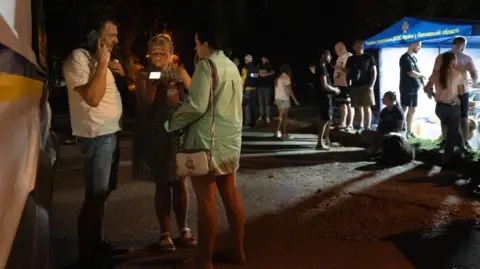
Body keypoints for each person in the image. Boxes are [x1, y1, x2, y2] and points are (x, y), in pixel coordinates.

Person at [165, 24, 245, 269]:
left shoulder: (205, 65)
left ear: (206, 45)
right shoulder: (230, 66)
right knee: (231, 196)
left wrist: (173, 116)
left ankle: (203, 259)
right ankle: (237, 251)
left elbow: (197, 106)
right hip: (229, 141)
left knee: (206, 201)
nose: (195, 48)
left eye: (197, 43)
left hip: (206, 143)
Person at [62, 17, 125, 265]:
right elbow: (93, 98)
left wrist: (114, 70)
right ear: (93, 36)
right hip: (96, 136)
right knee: (94, 197)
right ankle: (87, 256)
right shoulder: (77, 59)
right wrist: (102, 64)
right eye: (111, 35)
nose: (116, 40)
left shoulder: (101, 61)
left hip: (110, 133)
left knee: (102, 194)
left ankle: (97, 246)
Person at [133, 34, 196, 252]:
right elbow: (144, 104)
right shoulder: (142, 74)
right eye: (154, 53)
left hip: (177, 132)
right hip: (155, 132)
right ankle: (165, 232)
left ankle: (184, 228)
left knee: (181, 182)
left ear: (170, 54)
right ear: (149, 54)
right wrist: (154, 83)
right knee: (162, 183)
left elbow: (195, 93)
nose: (158, 57)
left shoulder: (177, 72)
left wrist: (180, 97)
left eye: (163, 53)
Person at [426, 36, 478, 150]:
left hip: (445, 91)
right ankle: (464, 142)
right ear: (463, 45)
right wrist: (474, 83)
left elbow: (434, 74)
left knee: (445, 118)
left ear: (453, 44)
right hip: (462, 91)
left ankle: (445, 140)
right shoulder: (466, 58)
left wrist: (433, 92)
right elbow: (474, 73)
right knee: (463, 117)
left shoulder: (440, 57)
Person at [428, 52, 466, 170]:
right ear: (452, 61)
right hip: (452, 108)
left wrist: (435, 95)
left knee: (452, 128)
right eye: (455, 60)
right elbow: (461, 93)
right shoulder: (458, 74)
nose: (456, 62)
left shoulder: (436, 74)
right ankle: (446, 161)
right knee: (451, 134)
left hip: (439, 109)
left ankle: (463, 146)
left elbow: (426, 88)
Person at [346, 40, 377, 132]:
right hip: (355, 86)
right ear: (354, 47)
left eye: (361, 46)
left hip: (366, 85)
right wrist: (348, 83)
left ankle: (367, 127)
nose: (360, 48)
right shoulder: (351, 59)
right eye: (357, 46)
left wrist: (371, 85)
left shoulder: (368, 57)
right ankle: (361, 126)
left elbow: (374, 72)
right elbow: (348, 72)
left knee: (367, 106)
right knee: (358, 107)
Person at [399, 41, 427, 138]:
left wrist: (424, 85)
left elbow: (417, 72)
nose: (420, 47)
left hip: (414, 87)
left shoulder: (413, 58)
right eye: (419, 45)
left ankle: (409, 131)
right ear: (412, 44)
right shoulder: (404, 58)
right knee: (404, 109)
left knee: (413, 110)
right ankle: (402, 131)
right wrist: (422, 75)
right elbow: (410, 73)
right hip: (407, 88)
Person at [316, 50, 341, 150]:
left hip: (326, 97)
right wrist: (335, 89)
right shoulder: (321, 68)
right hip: (324, 97)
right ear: (323, 56)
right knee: (324, 119)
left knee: (327, 119)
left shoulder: (322, 67)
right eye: (329, 56)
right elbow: (324, 85)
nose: (330, 58)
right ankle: (319, 143)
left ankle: (326, 140)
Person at [274, 64, 300, 139]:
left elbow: (275, 88)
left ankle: (277, 132)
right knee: (284, 117)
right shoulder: (286, 77)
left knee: (280, 116)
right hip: (284, 98)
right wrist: (295, 100)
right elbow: (290, 90)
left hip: (277, 98)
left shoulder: (277, 77)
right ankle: (284, 133)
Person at [333, 42, 354, 130]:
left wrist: (339, 68)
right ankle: (343, 122)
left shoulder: (349, 56)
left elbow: (350, 70)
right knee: (342, 103)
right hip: (339, 84)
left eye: (337, 50)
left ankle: (350, 124)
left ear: (341, 48)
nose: (336, 52)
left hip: (347, 84)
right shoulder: (339, 58)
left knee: (349, 104)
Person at [241, 54, 260, 128]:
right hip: (254, 89)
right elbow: (257, 79)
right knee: (254, 106)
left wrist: (241, 89)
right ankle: (254, 122)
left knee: (247, 107)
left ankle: (247, 123)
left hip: (247, 90)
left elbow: (243, 79)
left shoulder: (245, 68)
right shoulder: (256, 68)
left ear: (247, 60)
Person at [257, 56, 275, 124]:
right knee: (261, 103)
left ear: (267, 59)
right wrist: (267, 74)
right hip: (260, 86)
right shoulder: (259, 66)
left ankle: (268, 116)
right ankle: (261, 116)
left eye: (264, 59)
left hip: (268, 87)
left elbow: (272, 73)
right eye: (262, 59)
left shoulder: (270, 66)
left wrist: (265, 74)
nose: (262, 60)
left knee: (267, 103)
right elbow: (259, 74)